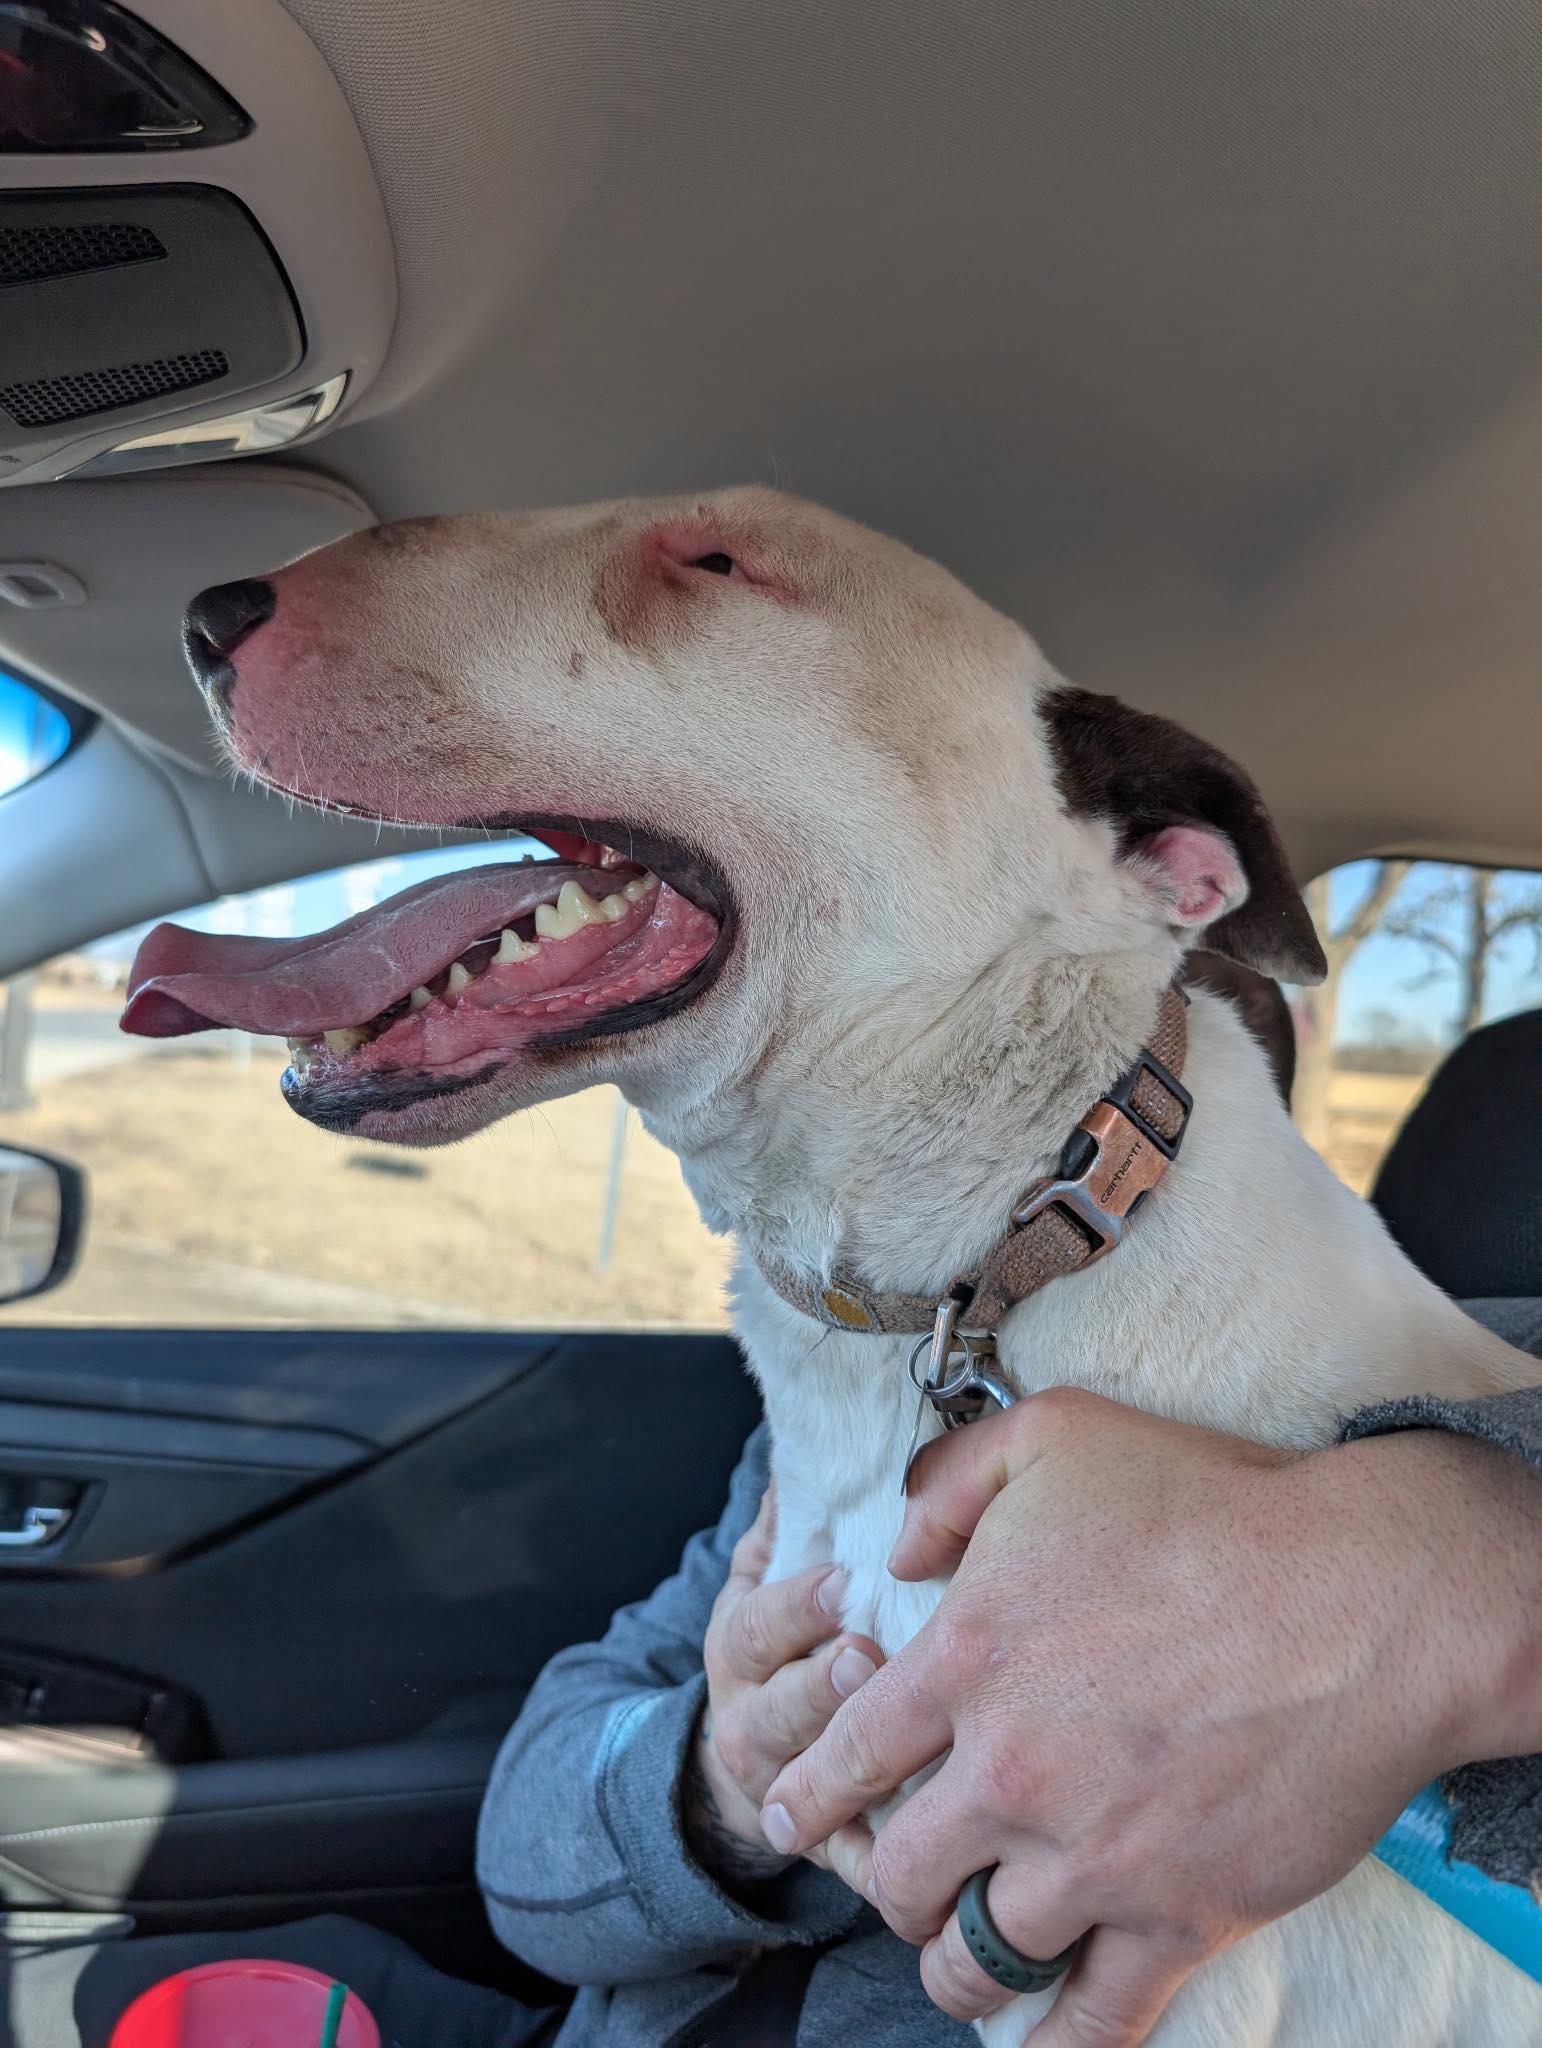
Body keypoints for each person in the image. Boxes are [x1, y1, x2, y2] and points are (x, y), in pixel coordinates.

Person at [7, 1381, 1539, 2047]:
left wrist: (1458, 1549)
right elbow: (534, 1854)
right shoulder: (852, 1405)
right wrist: (715, 1786)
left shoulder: (1458, 1391)